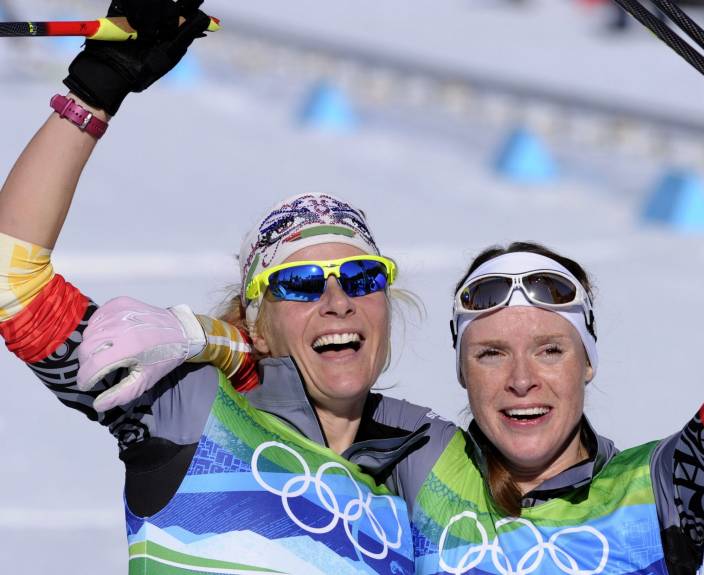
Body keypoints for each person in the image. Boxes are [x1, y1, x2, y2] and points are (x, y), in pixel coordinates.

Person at [80, 59, 704, 573]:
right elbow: (302, 372)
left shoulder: (658, 492)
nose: (522, 379)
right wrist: (205, 335)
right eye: (491, 354)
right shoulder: (422, 461)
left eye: (550, 350)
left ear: (588, 360)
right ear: (461, 371)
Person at [0, 2, 440, 573]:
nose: (338, 302)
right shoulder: (187, 409)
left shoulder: (429, 456)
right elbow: (11, 277)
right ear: (257, 321)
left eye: (362, 277)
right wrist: (95, 90)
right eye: (300, 284)